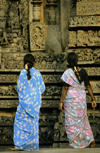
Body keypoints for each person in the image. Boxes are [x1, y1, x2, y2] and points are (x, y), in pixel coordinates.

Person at [59, 52, 97, 149]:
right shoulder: (83, 71)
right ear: (77, 61)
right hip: (81, 100)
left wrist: (61, 102)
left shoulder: (68, 73)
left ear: (68, 61)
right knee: (83, 121)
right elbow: (88, 86)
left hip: (71, 102)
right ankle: (91, 139)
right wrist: (93, 99)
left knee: (71, 122)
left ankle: (74, 144)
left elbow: (65, 88)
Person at [10, 54, 45, 151]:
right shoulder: (38, 73)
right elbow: (42, 88)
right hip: (35, 104)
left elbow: (18, 88)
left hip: (24, 104)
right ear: (34, 62)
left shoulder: (22, 73)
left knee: (19, 124)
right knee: (33, 125)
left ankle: (19, 145)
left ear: (25, 62)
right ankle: (33, 146)